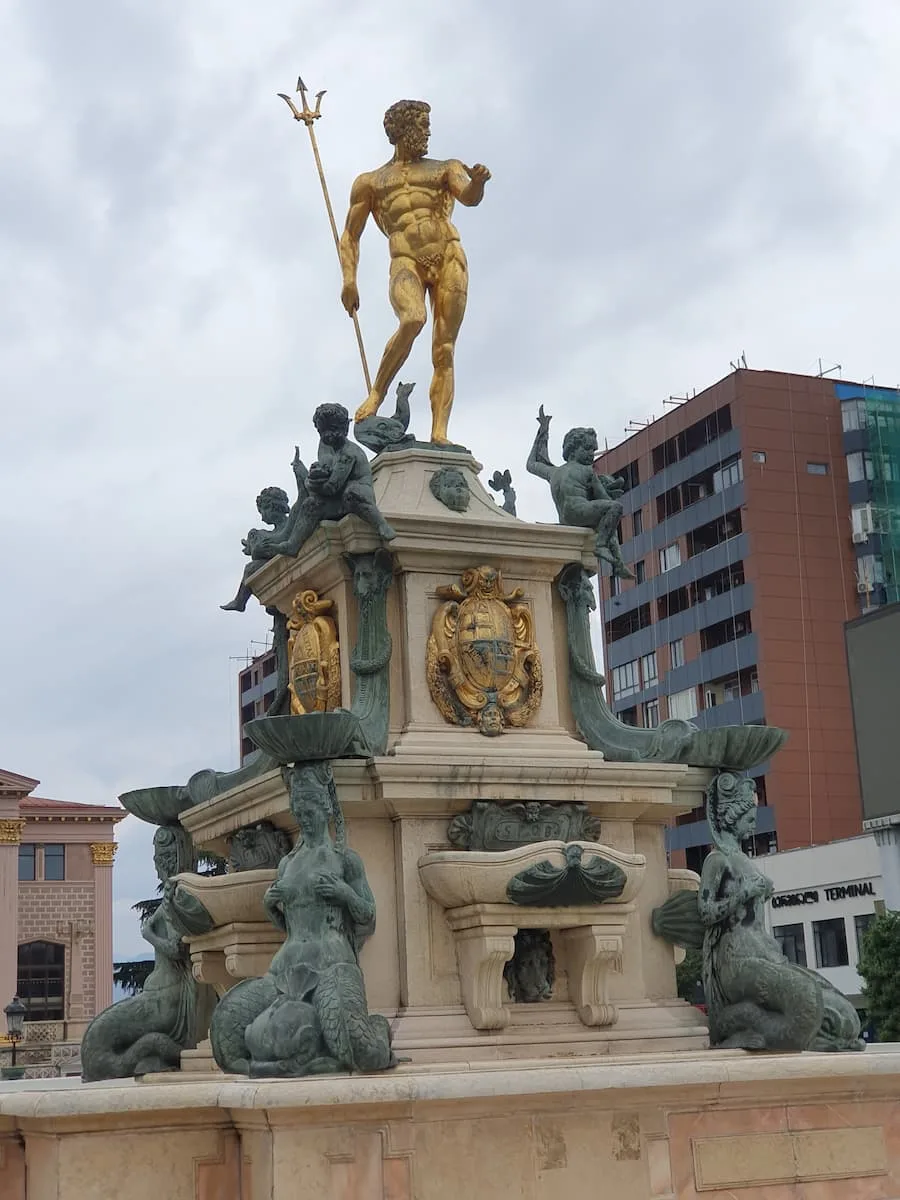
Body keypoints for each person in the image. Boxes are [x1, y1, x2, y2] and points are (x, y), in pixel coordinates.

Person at [339, 100, 491, 445]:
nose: (427, 132)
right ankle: (377, 394)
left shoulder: (444, 168)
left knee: (444, 349)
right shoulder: (371, 182)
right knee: (412, 319)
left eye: (427, 125)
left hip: (449, 255)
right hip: (406, 259)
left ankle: (439, 433)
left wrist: (478, 181)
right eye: (422, 126)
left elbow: (468, 197)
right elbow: (350, 234)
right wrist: (349, 280)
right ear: (402, 130)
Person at [267, 403, 396, 558]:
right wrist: (313, 477)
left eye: (333, 430)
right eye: (323, 432)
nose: (328, 435)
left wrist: (312, 484)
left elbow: (331, 487)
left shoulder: (349, 453)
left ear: (345, 429)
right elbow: (325, 474)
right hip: (338, 502)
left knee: (352, 492)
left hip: (356, 497)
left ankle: (381, 524)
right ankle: (293, 544)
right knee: (311, 504)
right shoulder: (331, 451)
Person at [526, 407, 634, 579]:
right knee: (615, 509)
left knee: (607, 524)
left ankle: (618, 565)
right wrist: (607, 491)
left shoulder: (553, 472)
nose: (592, 454)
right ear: (573, 449)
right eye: (588, 449)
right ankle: (603, 548)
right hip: (579, 513)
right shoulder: (587, 471)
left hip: (565, 518)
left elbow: (532, 463)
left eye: (593, 449)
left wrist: (543, 431)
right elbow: (605, 500)